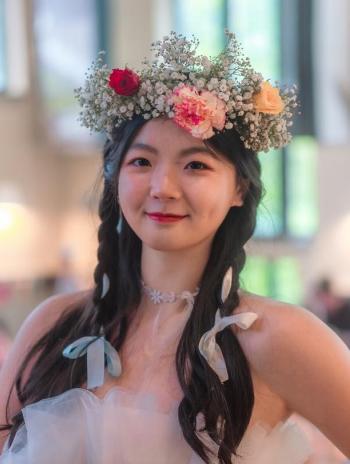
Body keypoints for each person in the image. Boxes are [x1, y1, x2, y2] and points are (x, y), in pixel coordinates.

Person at [0, 31, 350, 464]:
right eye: (142, 162)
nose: (162, 188)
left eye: (195, 165)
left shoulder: (277, 337)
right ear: (116, 178)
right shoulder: (54, 327)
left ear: (239, 187)